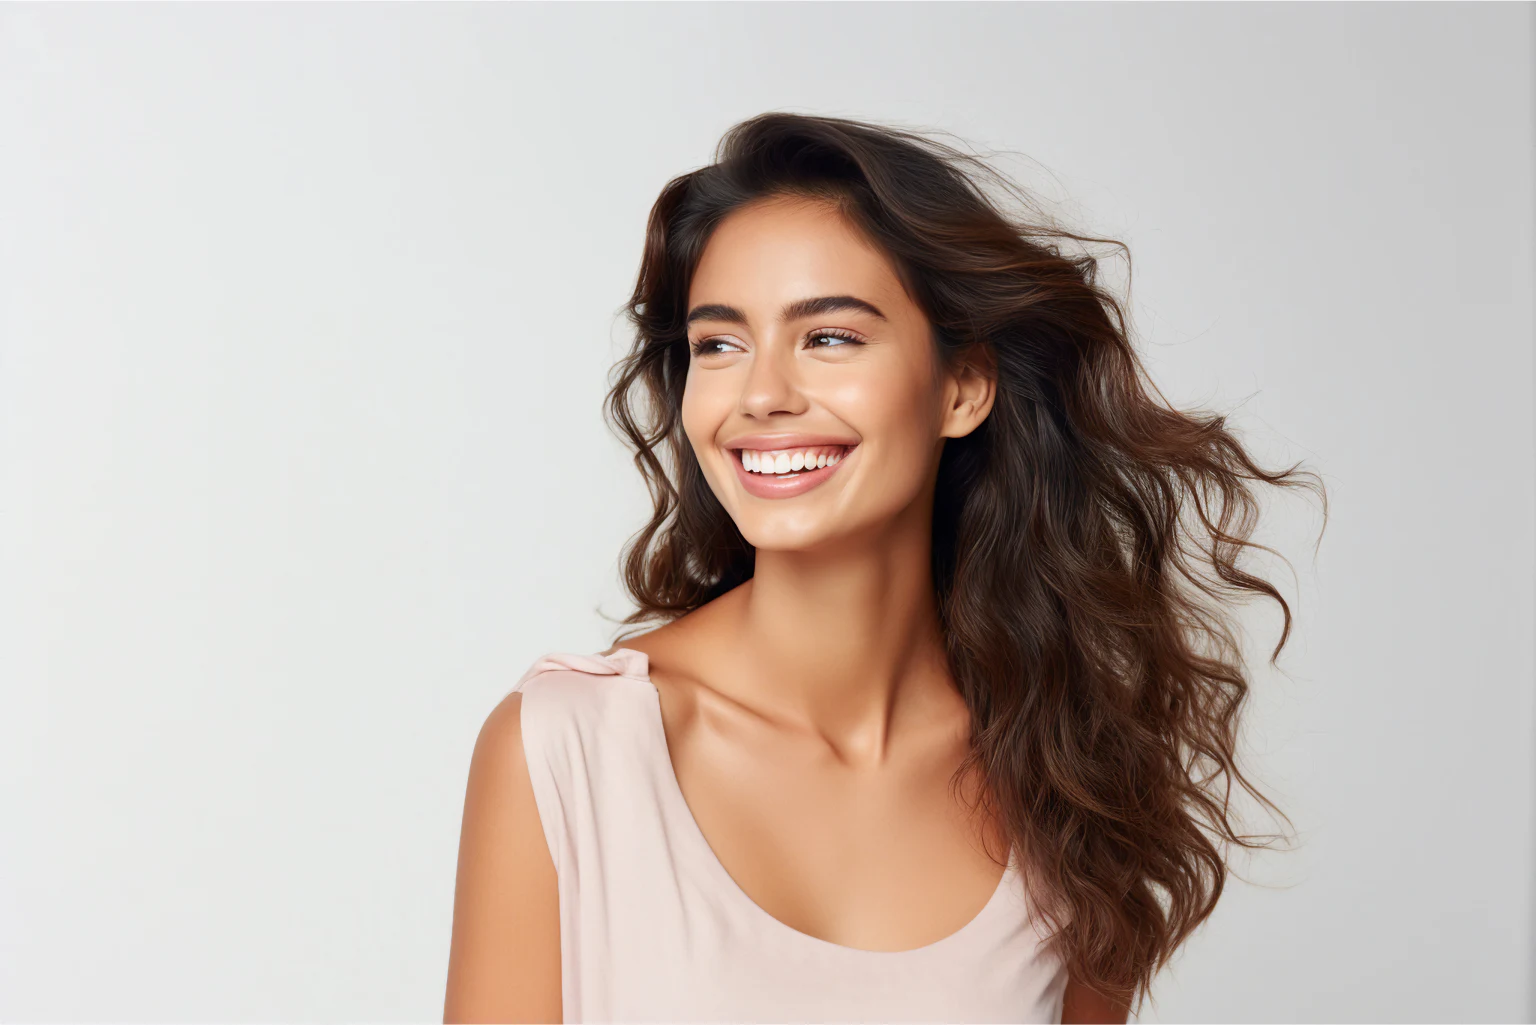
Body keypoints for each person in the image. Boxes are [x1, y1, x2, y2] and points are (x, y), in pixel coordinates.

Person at [443, 112, 1325, 1024]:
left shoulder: (1064, 779)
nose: (763, 395)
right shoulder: (567, 749)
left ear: (963, 386)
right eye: (719, 343)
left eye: (830, 337)